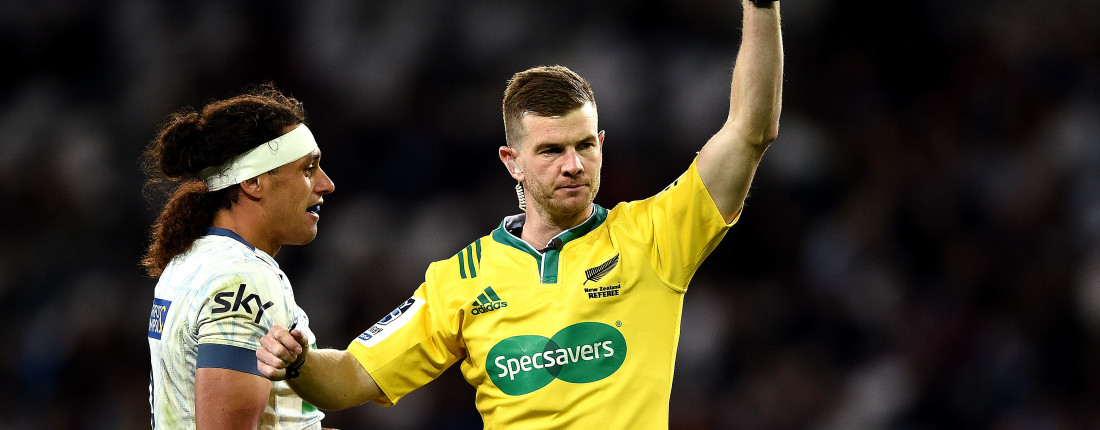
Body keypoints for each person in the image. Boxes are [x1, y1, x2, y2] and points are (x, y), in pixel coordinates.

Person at [258, 0, 783, 427]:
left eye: (585, 146)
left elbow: (749, 131)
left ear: (601, 144)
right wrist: (301, 363)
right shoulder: (460, 279)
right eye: (551, 150)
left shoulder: (654, 236)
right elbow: (353, 377)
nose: (573, 165)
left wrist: (761, 6)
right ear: (512, 161)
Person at [143, 83, 335, 429]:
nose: (326, 184)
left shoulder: (190, 260)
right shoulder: (243, 277)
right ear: (254, 182)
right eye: (308, 170)